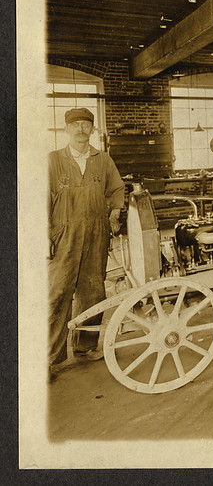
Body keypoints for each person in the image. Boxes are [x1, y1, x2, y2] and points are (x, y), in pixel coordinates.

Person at [49, 107, 124, 376]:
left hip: (96, 234)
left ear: (92, 129)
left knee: (93, 291)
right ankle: (51, 357)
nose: (81, 129)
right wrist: (45, 237)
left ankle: (85, 346)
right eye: (75, 125)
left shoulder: (103, 160)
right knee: (57, 294)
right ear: (66, 130)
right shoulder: (53, 160)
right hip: (63, 236)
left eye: (86, 125)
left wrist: (114, 212)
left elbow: (116, 188)